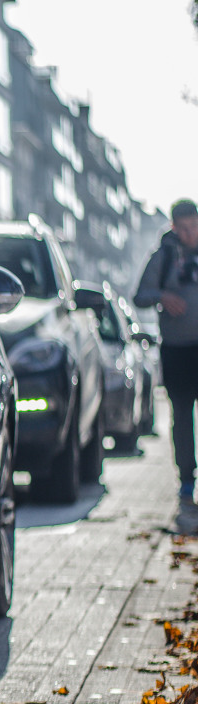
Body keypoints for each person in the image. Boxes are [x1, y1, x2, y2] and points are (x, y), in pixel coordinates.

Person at [135, 199, 198, 503]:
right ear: (174, 227)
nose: (190, 234)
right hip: (176, 350)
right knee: (182, 416)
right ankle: (187, 478)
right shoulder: (163, 256)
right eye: (183, 229)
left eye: (194, 227)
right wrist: (162, 295)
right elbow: (140, 295)